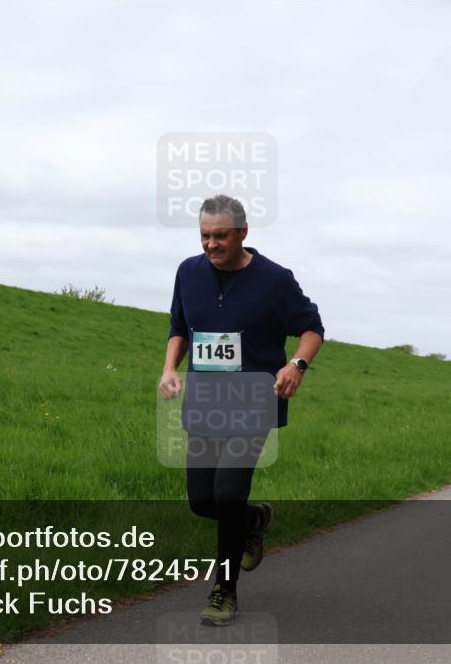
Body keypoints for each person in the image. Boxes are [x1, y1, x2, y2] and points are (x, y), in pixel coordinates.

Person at [158, 194, 324, 626]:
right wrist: (169, 370)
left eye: (220, 236)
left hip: (253, 401)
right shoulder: (188, 273)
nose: (211, 244)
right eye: (205, 236)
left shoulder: (274, 279)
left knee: (228, 493)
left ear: (243, 233)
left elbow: (312, 329)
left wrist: (296, 364)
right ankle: (255, 518)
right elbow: (179, 327)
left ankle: (223, 590)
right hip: (205, 403)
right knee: (203, 501)